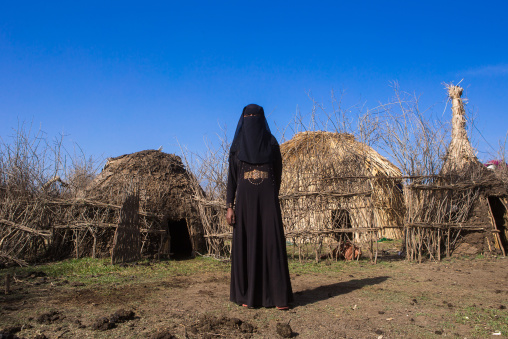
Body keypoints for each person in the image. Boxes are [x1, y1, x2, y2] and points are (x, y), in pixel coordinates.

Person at [226, 103, 293, 309]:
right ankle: (248, 296)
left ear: (262, 119)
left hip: (268, 203)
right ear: (243, 119)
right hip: (244, 205)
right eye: (249, 116)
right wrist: (229, 206)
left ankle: (278, 297)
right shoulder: (236, 148)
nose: (252, 119)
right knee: (247, 244)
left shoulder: (272, 144)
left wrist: (270, 195)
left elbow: (278, 174)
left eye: (255, 116)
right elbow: (232, 179)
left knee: (271, 245)